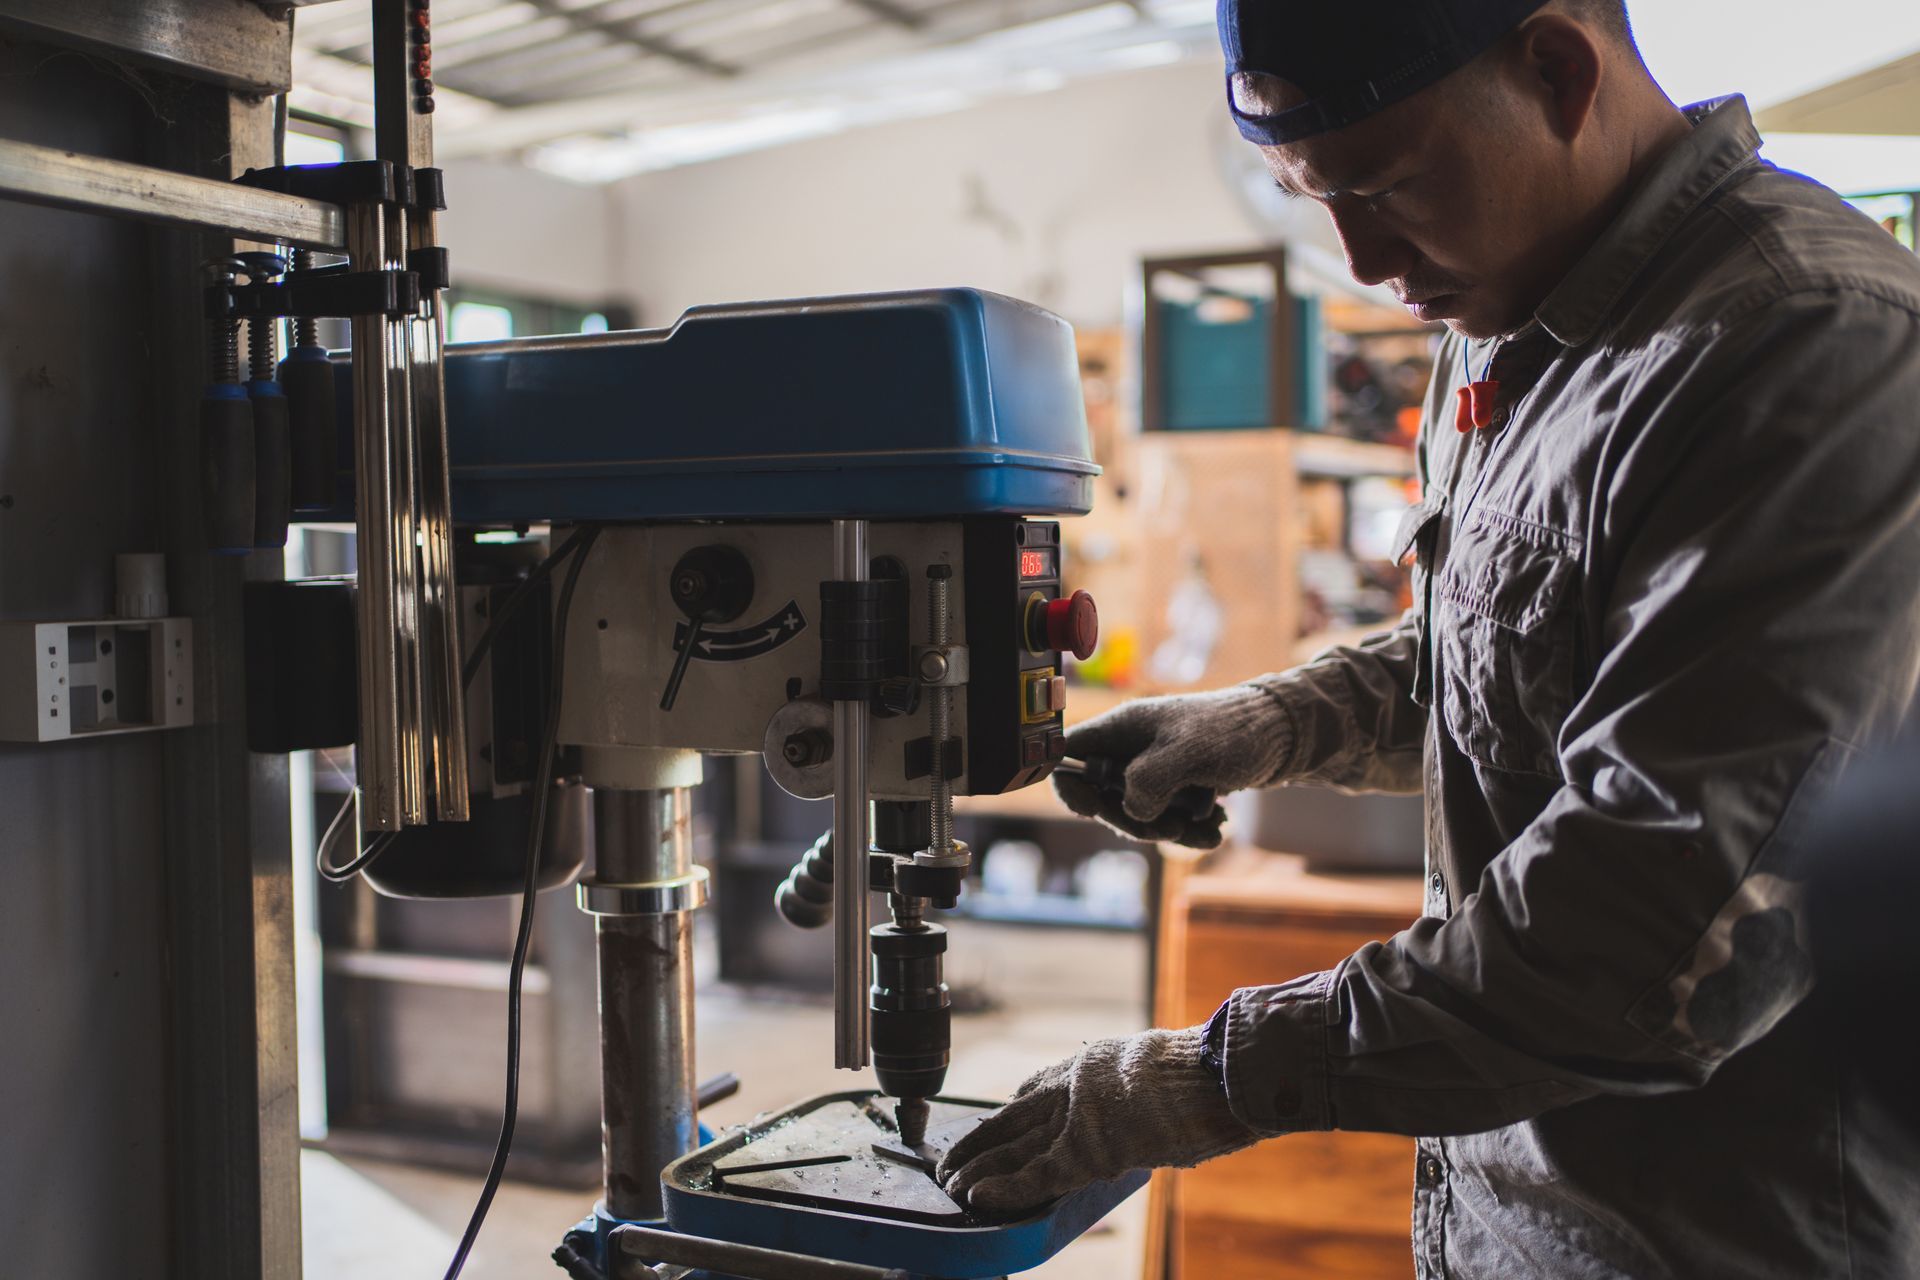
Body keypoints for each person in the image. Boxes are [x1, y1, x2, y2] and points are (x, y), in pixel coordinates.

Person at [935, 2, 1920, 1275]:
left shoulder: (1810, 347)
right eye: (1314, 197)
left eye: (1390, 184)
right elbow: (1510, 642)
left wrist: (1203, 1076)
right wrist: (1274, 720)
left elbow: (1654, 931)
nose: (1361, 258)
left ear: (1558, 67)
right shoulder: (1510, 317)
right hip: (1503, 1223)